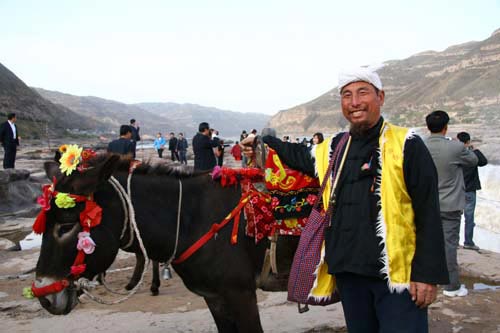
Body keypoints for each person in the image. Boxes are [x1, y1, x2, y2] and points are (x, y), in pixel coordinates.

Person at [243, 67, 449, 332]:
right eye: (347, 95)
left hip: (397, 277)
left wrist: (426, 275)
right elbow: (298, 155)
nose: (354, 102)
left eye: (363, 92)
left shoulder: (406, 144)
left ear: (381, 97)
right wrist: (263, 141)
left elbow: (429, 212)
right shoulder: (336, 146)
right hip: (349, 274)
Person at [424, 111, 478, 298]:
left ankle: (424, 280)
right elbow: (474, 161)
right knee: (449, 245)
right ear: (446, 127)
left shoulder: (419, 145)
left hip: (425, 205)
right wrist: (466, 147)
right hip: (450, 205)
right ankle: (451, 286)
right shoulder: (455, 147)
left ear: (428, 126)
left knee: (425, 244)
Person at [456, 132, 488, 250]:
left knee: (455, 216)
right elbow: (483, 162)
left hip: (457, 190)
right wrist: (475, 149)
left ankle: (454, 241)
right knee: (469, 218)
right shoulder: (472, 155)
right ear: (468, 142)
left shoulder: (455, 154)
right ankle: (468, 242)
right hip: (470, 191)